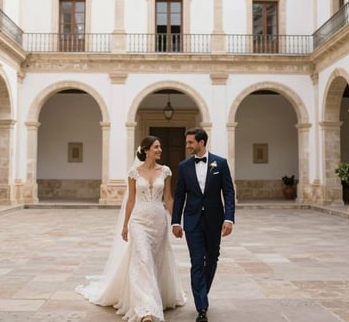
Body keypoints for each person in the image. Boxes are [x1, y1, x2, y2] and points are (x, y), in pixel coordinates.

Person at [76, 135, 186, 322]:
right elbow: (131, 200)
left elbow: (168, 198)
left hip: (159, 221)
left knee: (155, 261)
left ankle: (156, 295)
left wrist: (176, 221)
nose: (160, 150)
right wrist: (126, 224)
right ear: (146, 150)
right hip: (139, 221)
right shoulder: (134, 172)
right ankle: (146, 310)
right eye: (156, 147)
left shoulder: (166, 171)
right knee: (142, 260)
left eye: (160, 147)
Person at [171, 128, 235, 322]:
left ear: (201, 142)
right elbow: (180, 195)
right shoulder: (184, 166)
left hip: (215, 220)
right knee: (197, 261)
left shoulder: (220, 163)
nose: (187, 145)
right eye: (187, 142)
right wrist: (175, 221)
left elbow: (229, 192)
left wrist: (229, 218)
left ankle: (201, 291)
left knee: (212, 258)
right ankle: (202, 307)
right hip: (192, 221)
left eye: (190, 142)